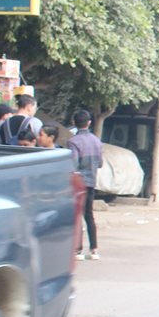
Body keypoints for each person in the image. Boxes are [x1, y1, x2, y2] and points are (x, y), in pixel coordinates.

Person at [68, 110, 103, 261]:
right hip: (91, 182)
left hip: (78, 183)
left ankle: (78, 250)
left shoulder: (73, 142)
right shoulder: (96, 141)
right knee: (89, 215)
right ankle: (94, 249)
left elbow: (73, 164)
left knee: (77, 216)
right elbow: (100, 163)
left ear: (74, 123)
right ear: (89, 123)